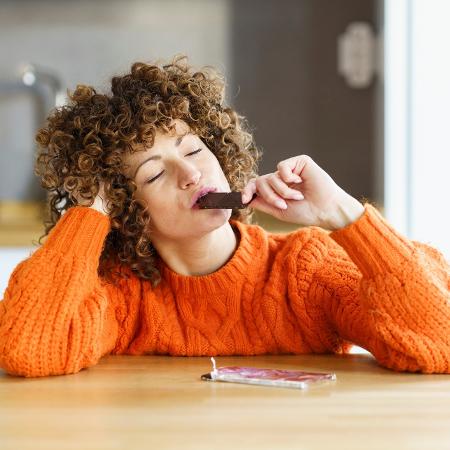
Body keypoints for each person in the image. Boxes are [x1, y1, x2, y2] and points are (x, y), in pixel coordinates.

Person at [0, 56, 448, 378]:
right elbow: (28, 348)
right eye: (155, 174)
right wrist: (91, 210)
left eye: (194, 149)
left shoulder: (303, 270)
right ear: (126, 209)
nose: (191, 173)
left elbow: (439, 340)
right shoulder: (122, 294)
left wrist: (343, 215)